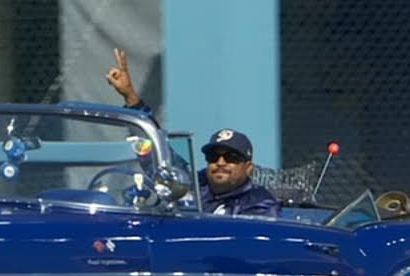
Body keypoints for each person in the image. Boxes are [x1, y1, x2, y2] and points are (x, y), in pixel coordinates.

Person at [105, 47, 280, 217]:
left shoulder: (259, 203)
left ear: (248, 168)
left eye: (231, 158)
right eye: (213, 156)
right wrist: (130, 96)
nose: (220, 162)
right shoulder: (193, 186)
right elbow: (157, 155)